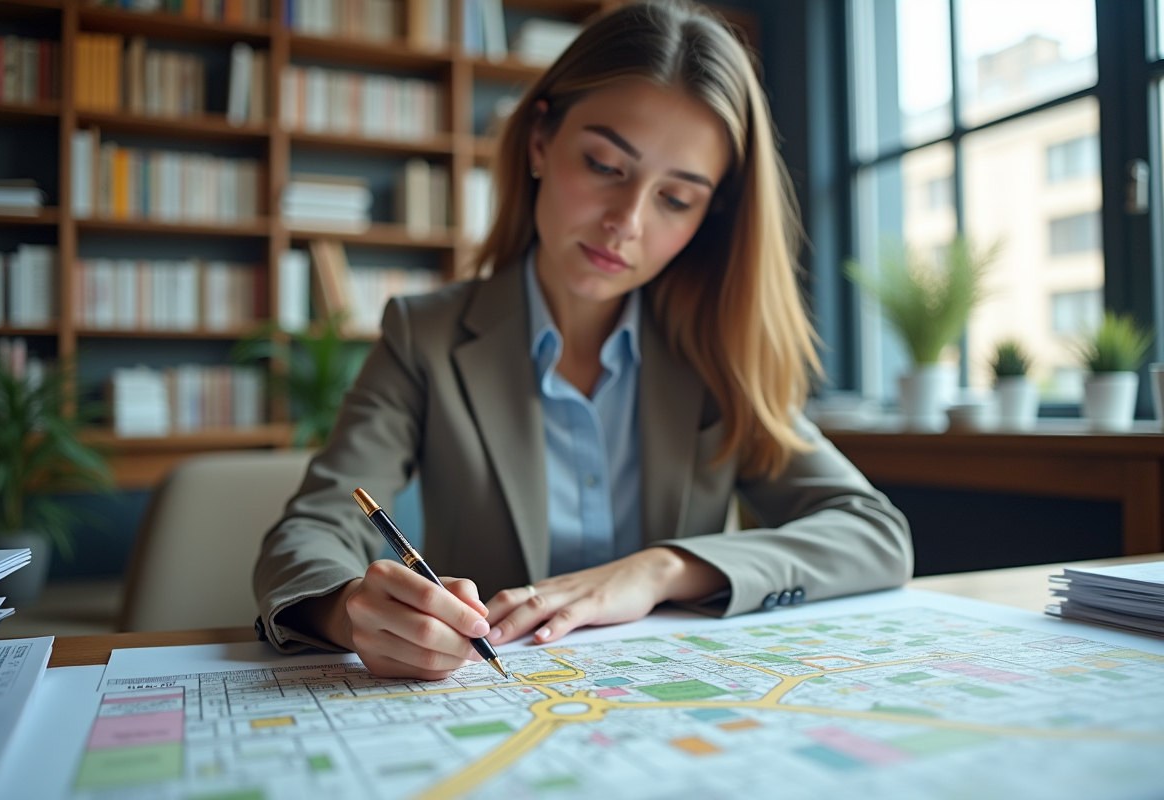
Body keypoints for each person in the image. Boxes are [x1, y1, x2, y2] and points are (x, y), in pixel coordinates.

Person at [254, 0, 912, 681]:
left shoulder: (714, 354)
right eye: (604, 165)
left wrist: (662, 569)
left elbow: (873, 534)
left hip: (676, 705)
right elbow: (311, 529)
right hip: (492, 701)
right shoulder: (425, 336)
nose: (626, 222)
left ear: (707, 217)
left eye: (676, 199)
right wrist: (347, 608)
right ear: (540, 140)